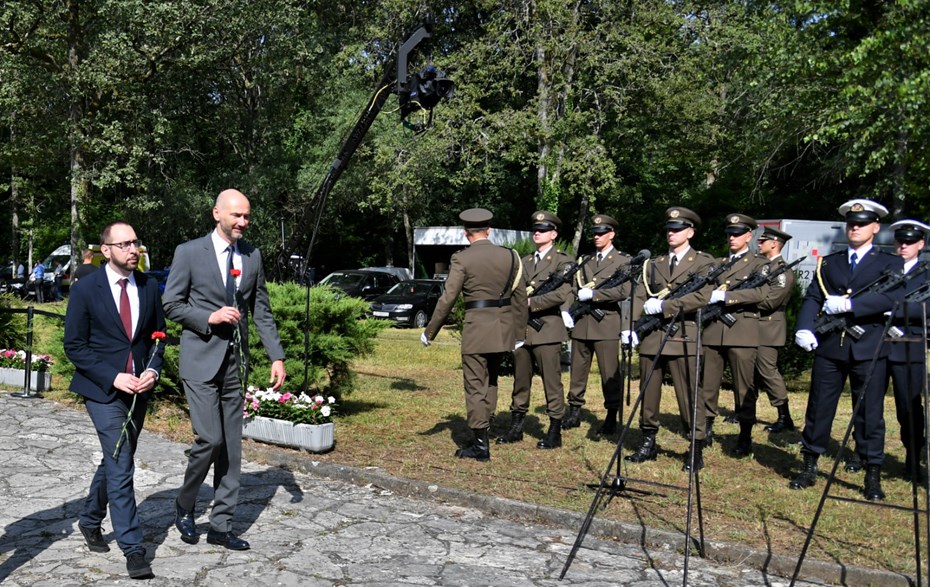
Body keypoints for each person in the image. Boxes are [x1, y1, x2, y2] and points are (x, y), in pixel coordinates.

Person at [163, 188, 286, 550]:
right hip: (200, 360)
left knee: (231, 447)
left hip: (235, 364)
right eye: (237, 216)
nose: (243, 223)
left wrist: (276, 355)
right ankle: (184, 505)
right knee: (209, 439)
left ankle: (221, 526)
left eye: (247, 216)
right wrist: (209, 317)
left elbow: (260, 309)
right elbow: (171, 304)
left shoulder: (252, 255)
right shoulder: (189, 253)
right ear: (217, 214)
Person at [63, 221, 164, 579]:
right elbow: (74, 345)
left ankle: (90, 518)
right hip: (102, 391)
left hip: (139, 390)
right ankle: (134, 548)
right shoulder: (87, 288)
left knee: (117, 457)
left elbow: (158, 337)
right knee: (121, 463)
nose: (133, 249)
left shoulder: (150, 286)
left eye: (136, 242)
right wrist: (113, 376)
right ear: (106, 250)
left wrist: (153, 370)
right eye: (124, 244)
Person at [791, 198, 904, 500]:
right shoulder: (830, 262)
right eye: (852, 223)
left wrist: (853, 305)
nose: (855, 227)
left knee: (869, 413)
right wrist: (804, 327)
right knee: (819, 407)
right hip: (830, 346)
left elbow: (893, 298)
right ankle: (810, 463)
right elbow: (814, 296)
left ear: (875, 227)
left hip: (868, 347)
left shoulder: (890, 263)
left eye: (862, 223)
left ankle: (871, 472)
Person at [421, 208, 528, 461]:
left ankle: (480, 444)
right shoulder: (511, 256)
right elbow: (520, 296)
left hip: (477, 329)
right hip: (502, 329)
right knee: (490, 380)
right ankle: (485, 426)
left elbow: (448, 298)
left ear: (465, 232)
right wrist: (519, 332)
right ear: (489, 230)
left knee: (474, 385)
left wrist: (430, 331)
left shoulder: (462, 258)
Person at [623, 207, 715, 470]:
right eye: (669, 230)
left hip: (683, 336)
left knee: (688, 395)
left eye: (677, 229)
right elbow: (639, 295)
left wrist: (665, 307)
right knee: (648, 392)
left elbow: (701, 297)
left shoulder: (703, 263)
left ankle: (695, 445)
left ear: (690, 232)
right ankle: (648, 440)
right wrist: (630, 326)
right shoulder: (654, 264)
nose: (671, 234)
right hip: (652, 335)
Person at [496, 211, 573, 450]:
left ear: (554, 234)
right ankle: (516, 425)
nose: (536, 233)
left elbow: (563, 293)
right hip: (522, 329)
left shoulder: (563, 261)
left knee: (552, 380)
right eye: (535, 230)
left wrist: (531, 303)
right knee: (520, 379)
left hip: (548, 328)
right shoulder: (524, 261)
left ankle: (554, 429)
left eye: (542, 230)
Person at [700, 214, 771, 458]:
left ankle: (745, 434)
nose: (732, 238)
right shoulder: (719, 263)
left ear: (749, 236)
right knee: (708, 384)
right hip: (713, 331)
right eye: (729, 234)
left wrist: (729, 297)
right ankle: (706, 428)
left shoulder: (758, 263)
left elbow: (761, 292)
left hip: (741, 332)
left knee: (744, 387)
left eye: (737, 234)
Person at [563, 215, 631, 435]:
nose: (597, 237)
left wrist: (596, 294)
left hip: (607, 324)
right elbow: (572, 288)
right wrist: (566, 309)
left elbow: (624, 291)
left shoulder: (622, 261)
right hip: (583, 323)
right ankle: (574, 411)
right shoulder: (585, 260)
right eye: (594, 233)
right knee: (578, 371)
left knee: (609, 372)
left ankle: (612, 414)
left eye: (602, 233)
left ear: (612, 234)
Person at [886, 220, 930, 480]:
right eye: (900, 241)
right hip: (878, 345)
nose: (903, 246)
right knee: (867, 404)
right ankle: (865, 456)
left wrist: (894, 310)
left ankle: (913, 457)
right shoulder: (884, 269)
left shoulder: (926, 275)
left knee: (908, 407)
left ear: (921, 245)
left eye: (909, 242)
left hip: (909, 346)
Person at [755, 227, 797, 434]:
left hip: (769, 326)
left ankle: (784, 416)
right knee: (749, 371)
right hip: (754, 325)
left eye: (763, 241)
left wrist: (741, 303)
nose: (758, 244)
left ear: (774, 244)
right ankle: (745, 412)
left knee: (767, 371)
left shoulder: (782, 270)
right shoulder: (763, 267)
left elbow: (771, 301)